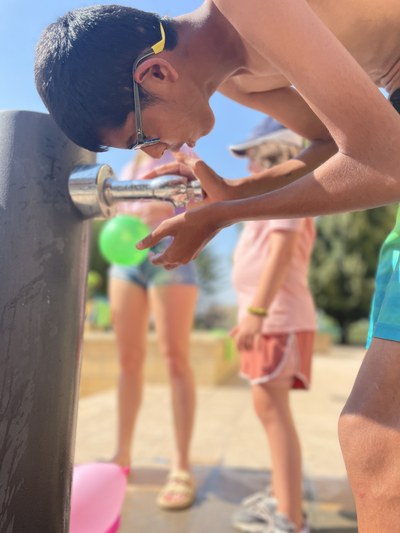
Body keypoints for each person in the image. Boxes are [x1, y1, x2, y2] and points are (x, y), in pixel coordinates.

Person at [34, 3, 400, 530]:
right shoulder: (238, 80)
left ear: (156, 72)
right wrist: (233, 194)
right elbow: (329, 144)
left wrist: (228, 214)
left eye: (142, 137)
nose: (158, 152)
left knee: (377, 434)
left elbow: (384, 160)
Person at [229, 118, 316, 533]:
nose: (249, 170)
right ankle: (286, 497)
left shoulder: (286, 194)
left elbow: (280, 255)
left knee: (272, 410)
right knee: (269, 409)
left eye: (254, 160)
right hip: (272, 319)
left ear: (278, 154)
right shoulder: (275, 198)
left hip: (277, 319)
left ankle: (289, 516)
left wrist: (257, 313)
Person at [108, 148, 199, 510]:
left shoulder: (182, 151)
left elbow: (200, 202)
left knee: (175, 358)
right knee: (128, 360)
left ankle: (181, 466)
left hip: (170, 248)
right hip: (127, 254)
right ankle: (121, 455)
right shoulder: (130, 164)